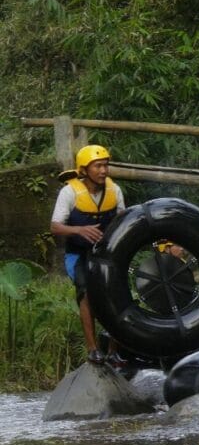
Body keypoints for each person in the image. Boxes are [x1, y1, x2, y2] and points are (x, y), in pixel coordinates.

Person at [50, 145, 126, 365]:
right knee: (86, 294)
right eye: (98, 166)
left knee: (115, 296)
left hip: (107, 254)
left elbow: (124, 222)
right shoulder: (69, 192)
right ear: (84, 169)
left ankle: (113, 351)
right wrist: (79, 230)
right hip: (79, 254)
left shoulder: (114, 190)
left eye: (105, 165)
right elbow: (55, 227)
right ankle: (93, 349)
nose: (103, 170)